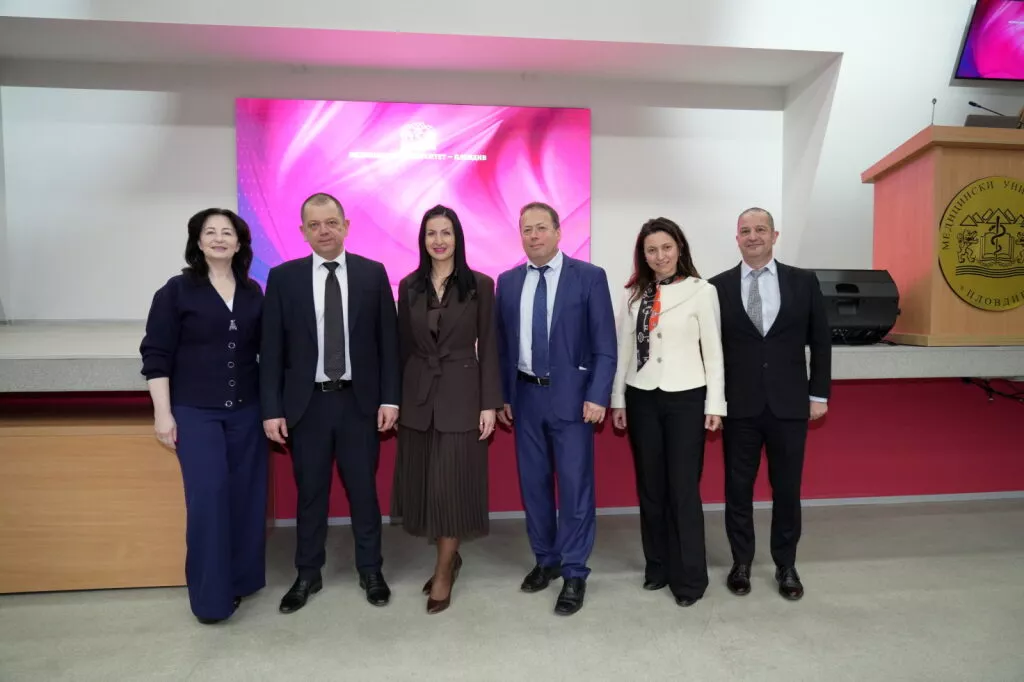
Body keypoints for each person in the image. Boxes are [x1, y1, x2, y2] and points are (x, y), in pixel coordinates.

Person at [260, 192, 400, 614]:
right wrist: (272, 409)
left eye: (331, 222)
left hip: (359, 404)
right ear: (303, 232)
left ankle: (370, 569)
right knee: (310, 494)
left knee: (364, 493)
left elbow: (389, 344)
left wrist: (390, 400)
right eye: (314, 225)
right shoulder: (283, 278)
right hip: (308, 407)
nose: (324, 231)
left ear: (346, 226)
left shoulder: (372, 273)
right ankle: (307, 573)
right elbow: (272, 350)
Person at [140, 208, 267, 625]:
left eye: (227, 232)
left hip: (247, 411)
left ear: (239, 242)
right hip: (196, 413)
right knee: (209, 500)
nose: (219, 238)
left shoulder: (252, 292)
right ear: (197, 241)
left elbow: (266, 350)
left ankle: (241, 581)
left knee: (246, 498)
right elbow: (156, 355)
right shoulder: (176, 291)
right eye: (210, 232)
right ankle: (211, 601)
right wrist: (163, 414)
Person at [494, 201, 617, 616]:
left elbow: (605, 345)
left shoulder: (589, 277)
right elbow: (501, 346)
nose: (534, 236)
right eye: (526, 229)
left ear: (559, 232)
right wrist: (503, 396)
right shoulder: (508, 282)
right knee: (534, 486)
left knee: (576, 487)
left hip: (573, 400)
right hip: (525, 398)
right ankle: (545, 559)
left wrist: (598, 395)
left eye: (541, 228)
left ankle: (575, 571)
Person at [708, 207, 831, 601]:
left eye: (761, 229)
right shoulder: (716, 287)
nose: (753, 236)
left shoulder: (803, 281)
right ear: (737, 238)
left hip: (790, 405)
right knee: (738, 490)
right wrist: (713, 402)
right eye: (745, 231)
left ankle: (786, 565)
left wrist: (818, 394)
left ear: (774, 236)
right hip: (738, 407)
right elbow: (710, 350)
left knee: (787, 490)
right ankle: (741, 562)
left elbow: (821, 341)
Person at [391, 205, 503, 615]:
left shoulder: (480, 285)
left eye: (446, 233)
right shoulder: (409, 285)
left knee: (450, 487)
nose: (438, 241)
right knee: (426, 487)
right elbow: (402, 348)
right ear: (422, 240)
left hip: (463, 395)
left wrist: (489, 403)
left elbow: (489, 345)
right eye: (431, 233)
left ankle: (443, 571)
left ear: (458, 238)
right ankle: (449, 558)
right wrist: (395, 401)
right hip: (418, 398)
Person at [609, 217, 726, 608]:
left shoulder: (701, 291)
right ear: (643, 255)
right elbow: (624, 351)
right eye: (651, 250)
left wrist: (715, 404)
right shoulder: (634, 295)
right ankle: (657, 566)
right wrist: (618, 399)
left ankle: (689, 578)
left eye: (666, 248)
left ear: (679, 249)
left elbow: (714, 352)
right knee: (651, 487)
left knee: (683, 489)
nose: (660, 256)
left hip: (686, 399)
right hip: (642, 397)